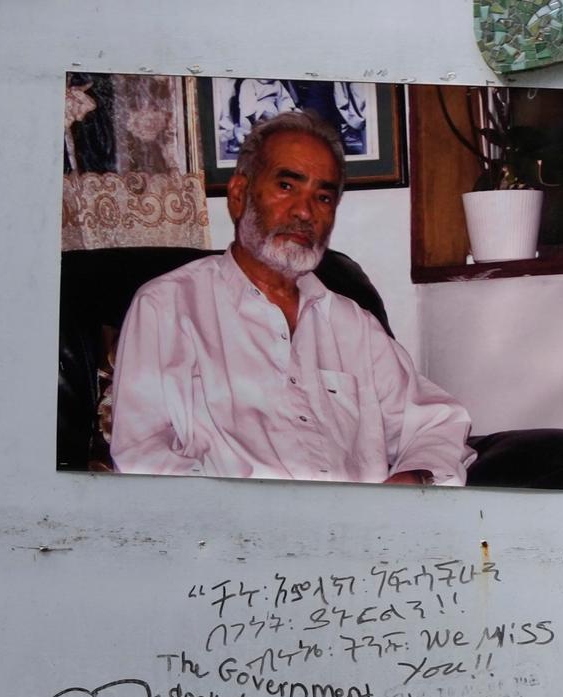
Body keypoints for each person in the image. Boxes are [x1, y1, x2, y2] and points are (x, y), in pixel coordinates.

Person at [105, 109, 474, 485]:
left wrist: (413, 480)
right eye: (287, 186)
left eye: (324, 197)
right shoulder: (168, 307)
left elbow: (439, 425)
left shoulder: (354, 326)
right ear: (238, 195)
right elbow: (143, 457)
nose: (304, 211)